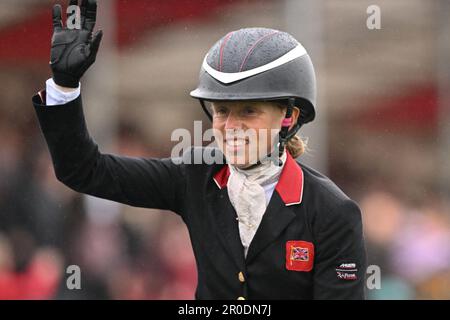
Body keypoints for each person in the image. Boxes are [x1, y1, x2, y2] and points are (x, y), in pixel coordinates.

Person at [32, 0, 367, 299]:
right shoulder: (194, 176)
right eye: (222, 111)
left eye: (248, 111)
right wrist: (65, 86)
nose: (230, 126)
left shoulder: (332, 212)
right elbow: (84, 171)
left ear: (288, 116)